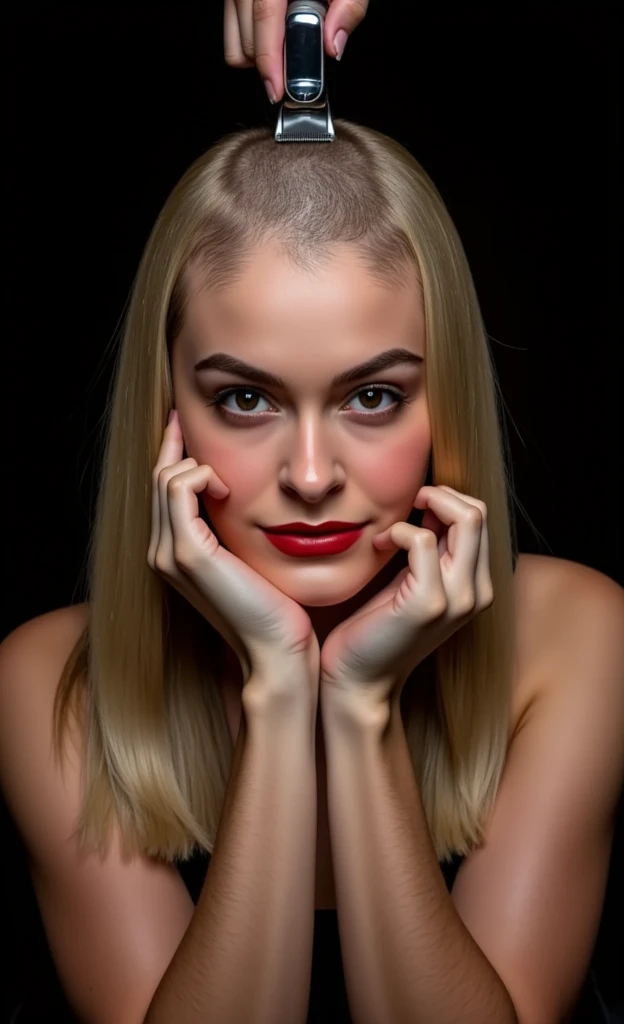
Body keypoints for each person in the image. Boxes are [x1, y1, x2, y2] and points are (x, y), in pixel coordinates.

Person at [1, 3, 622, 1023]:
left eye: (372, 396)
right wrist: (280, 685)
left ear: (445, 399)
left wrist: (365, 704)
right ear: (167, 416)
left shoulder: (577, 635)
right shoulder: (51, 685)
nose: (310, 471)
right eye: (244, 397)